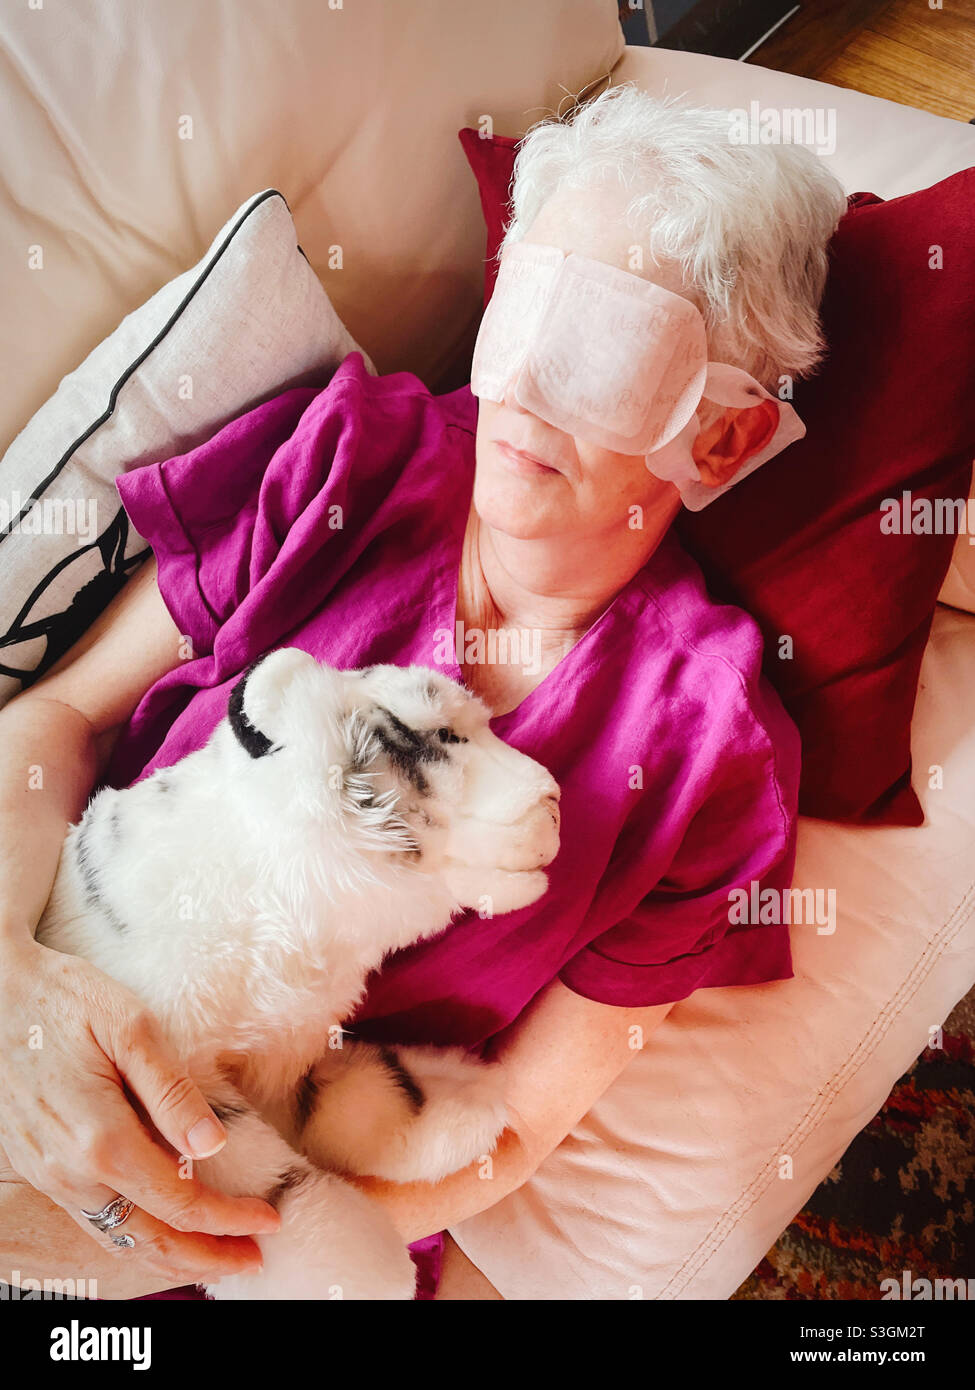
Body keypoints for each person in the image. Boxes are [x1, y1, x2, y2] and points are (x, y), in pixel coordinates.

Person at [0, 86, 847, 1299]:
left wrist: (200, 1236)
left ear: (717, 444)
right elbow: (53, 719)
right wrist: (14, 1000)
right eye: (526, 305)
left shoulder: (709, 755)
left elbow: (510, 1138)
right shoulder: (351, 463)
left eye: (609, 342)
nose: (531, 383)